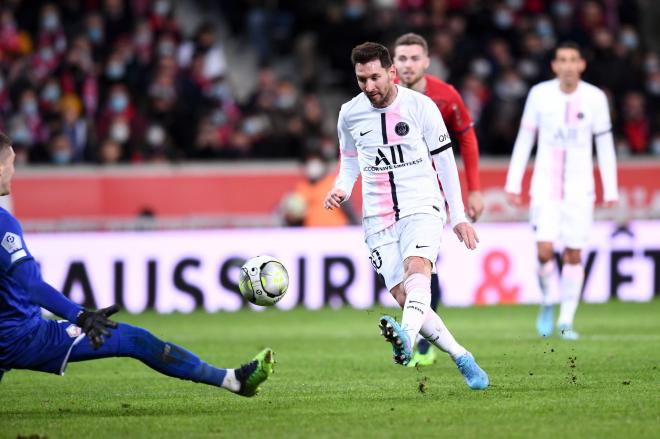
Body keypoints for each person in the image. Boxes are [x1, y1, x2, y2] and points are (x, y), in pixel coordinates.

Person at [0, 131, 274, 396]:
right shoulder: (4, 224)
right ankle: (233, 381)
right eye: (11, 163)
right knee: (135, 339)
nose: (14, 171)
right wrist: (81, 316)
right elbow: (31, 285)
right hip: (22, 337)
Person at [324, 42, 488, 390]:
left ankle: (407, 338)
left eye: (375, 77)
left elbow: (445, 161)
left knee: (419, 271)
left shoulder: (421, 107)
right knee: (405, 296)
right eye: (362, 79)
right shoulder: (349, 114)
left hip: (422, 205)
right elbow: (350, 159)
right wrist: (342, 187)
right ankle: (461, 356)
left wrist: (457, 214)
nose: (369, 87)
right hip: (378, 216)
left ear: (391, 72)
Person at [505, 42, 618, 340]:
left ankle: (566, 320)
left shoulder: (595, 98)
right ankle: (546, 300)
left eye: (573, 60)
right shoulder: (540, 94)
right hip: (545, 185)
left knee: (574, 254)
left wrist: (611, 186)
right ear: (554, 66)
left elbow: (604, 145)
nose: (568, 65)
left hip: (580, 189)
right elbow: (525, 139)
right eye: (562, 60)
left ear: (582, 65)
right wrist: (514, 183)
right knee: (544, 251)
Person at [393, 32, 483, 367]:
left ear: (427, 62)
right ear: (393, 63)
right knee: (409, 273)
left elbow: (467, 139)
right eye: (401, 58)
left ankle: (424, 343)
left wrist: (472, 189)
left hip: (433, 194)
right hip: (395, 195)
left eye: (414, 58)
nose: (407, 65)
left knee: (425, 266)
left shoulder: (445, 97)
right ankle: (426, 335)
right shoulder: (382, 96)